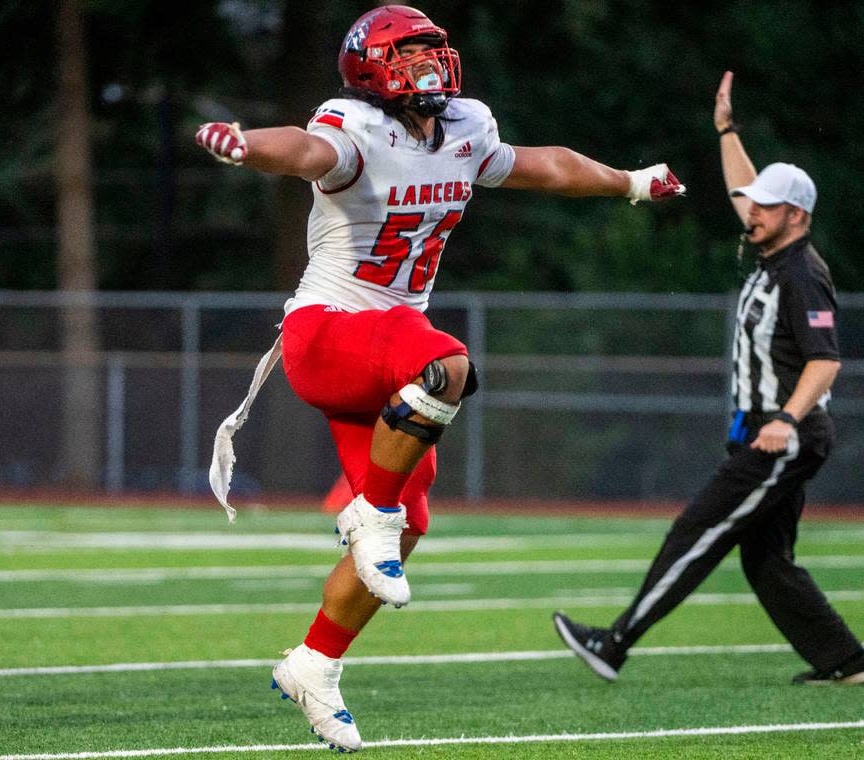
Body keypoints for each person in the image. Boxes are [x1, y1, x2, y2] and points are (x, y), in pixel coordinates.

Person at [198, 5, 685, 751]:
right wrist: (246, 147)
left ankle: (315, 662)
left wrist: (627, 183)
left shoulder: (465, 128)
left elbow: (542, 164)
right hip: (327, 336)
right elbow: (300, 150)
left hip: (385, 354)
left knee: (415, 523)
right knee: (447, 363)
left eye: (432, 52)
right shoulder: (355, 129)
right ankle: (368, 515)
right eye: (408, 55)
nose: (427, 67)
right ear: (368, 69)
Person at [553, 71, 864, 687]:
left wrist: (784, 421)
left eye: (767, 203)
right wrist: (726, 129)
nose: (752, 208)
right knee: (767, 560)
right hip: (765, 431)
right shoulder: (773, 249)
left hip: (781, 436)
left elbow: (825, 359)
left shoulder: (802, 273)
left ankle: (615, 643)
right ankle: (846, 661)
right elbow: (738, 190)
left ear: (795, 215)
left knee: (697, 532)